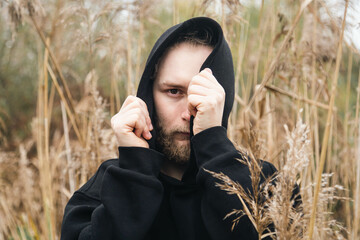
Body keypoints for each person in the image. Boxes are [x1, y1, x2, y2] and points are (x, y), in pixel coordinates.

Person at [61, 17, 277, 240]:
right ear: (149, 96)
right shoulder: (107, 189)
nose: (188, 112)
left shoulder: (264, 184)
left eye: (203, 95)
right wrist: (135, 170)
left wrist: (212, 140)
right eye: (174, 91)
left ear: (223, 100)